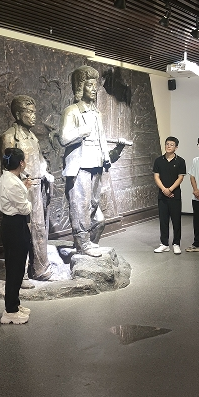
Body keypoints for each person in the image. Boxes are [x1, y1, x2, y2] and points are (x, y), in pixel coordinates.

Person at [59, 66, 126, 257]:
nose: (94, 89)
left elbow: (102, 138)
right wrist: (82, 131)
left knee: (96, 212)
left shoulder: (96, 113)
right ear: (80, 88)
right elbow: (63, 138)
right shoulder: (72, 111)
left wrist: (109, 155)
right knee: (80, 206)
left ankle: (87, 244)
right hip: (80, 166)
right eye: (90, 85)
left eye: (95, 85)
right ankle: (82, 245)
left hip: (96, 165)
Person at [0, 95, 54, 281]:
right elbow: (6, 169)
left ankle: (40, 269)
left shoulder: (32, 137)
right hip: (19, 190)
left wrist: (45, 173)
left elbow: (40, 160)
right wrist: (20, 186)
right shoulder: (9, 137)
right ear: (17, 114)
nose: (33, 116)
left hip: (35, 188)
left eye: (34, 112)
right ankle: (19, 275)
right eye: (29, 112)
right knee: (21, 234)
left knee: (38, 230)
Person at [0, 148, 34, 325]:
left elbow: (18, 200)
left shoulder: (9, 178)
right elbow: (25, 208)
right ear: (21, 163)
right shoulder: (11, 183)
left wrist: (24, 188)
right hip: (15, 225)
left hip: (13, 224)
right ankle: (10, 311)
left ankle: (14, 305)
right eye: (24, 160)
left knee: (17, 267)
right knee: (15, 268)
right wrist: (28, 199)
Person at [153, 136, 187, 255]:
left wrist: (170, 189)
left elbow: (180, 177)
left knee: (176, 220)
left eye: (171, 145)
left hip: (175, 195)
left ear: (176, 147)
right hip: (162, 195)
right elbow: (156, 176)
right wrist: (164, 189)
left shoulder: (180, 161)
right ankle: (164, 244)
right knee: (163, 220)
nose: (168, 146)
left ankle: (176, 244)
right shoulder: (158, 160)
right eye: (167, 144)